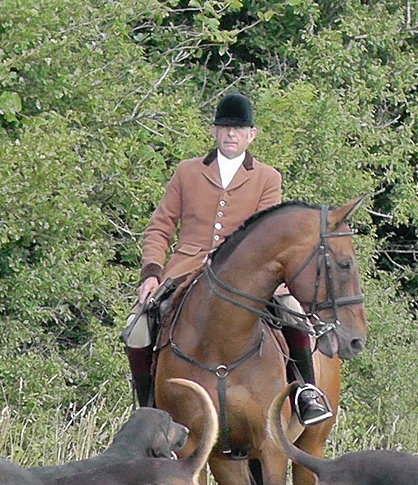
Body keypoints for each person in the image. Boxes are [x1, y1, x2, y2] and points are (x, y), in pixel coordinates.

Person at [123, 92, 333, 425]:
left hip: (245, 275)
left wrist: (272, 278)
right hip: (185, 269)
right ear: (214, 131)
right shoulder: (187, 172)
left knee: (292, 313)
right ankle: (148, 411)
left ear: (252, 134)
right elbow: (161, 226)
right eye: (224, 127)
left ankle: (307, 392)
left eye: (239, 129)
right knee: (136, 329)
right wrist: (151, 273)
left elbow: (265, 235)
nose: (231, 134)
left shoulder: (268, 178)